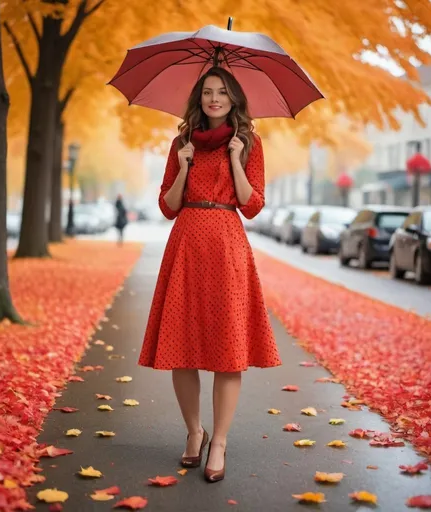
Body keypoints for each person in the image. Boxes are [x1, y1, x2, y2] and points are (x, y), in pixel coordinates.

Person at [138, 66, 281, 483]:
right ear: (198, 99)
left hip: (227, 245)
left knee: (227, 346)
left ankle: (218, 440)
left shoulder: (250, 144)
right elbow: (167, 206)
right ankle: (194, 432)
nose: (214, 98)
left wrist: (236, 158)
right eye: (207, 92)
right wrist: (183, 166)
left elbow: (252, 205)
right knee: (181, 344)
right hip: (185, 244)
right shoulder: (181, 142)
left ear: (234, 98)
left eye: (221, 92)